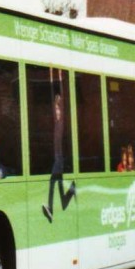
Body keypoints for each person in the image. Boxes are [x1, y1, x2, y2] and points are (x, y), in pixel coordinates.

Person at [43, 87, 76, 222]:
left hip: (60, 159)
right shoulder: (57, 124)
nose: (56, 111)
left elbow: (63, 144)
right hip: (58, 158)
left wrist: (61, 160)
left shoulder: (61, 124)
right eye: (55, 108)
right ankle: (71, 192)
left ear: (61, 110)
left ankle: (50, 209)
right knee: (60, 191)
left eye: (58, 108)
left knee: (52, 182)